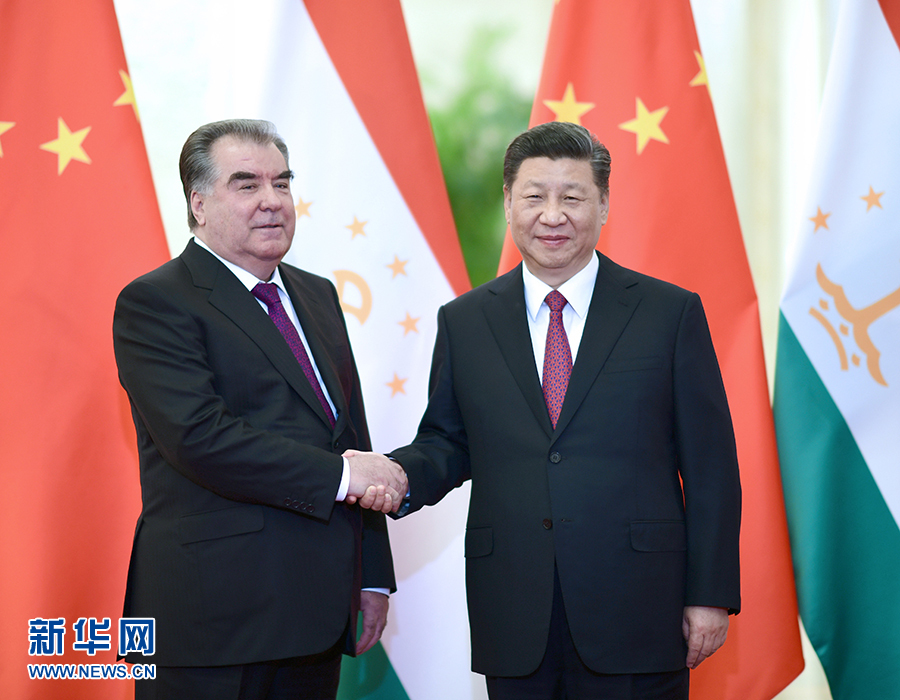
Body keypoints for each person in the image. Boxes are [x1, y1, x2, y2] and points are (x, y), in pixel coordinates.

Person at [350, 121, 741, 699]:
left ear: (603, 205)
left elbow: (711, 467)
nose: (552, 215)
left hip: (639, 609)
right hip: (515, 610)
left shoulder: (668, 313)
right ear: (509, 202)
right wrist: (394, 476)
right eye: (534, 196)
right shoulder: (466, 321)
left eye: (572, 197)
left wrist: (709, 594)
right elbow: (449, 442)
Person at [113, 119, 407, 700]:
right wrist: (343, 477)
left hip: (317, 612)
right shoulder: (156, 301)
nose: (272, 200)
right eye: (246, 184)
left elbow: (349, 434)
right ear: (198, 204)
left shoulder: (317, 294)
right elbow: (200, 438)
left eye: (282, 182)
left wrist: (373, 574)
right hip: (212, 620)